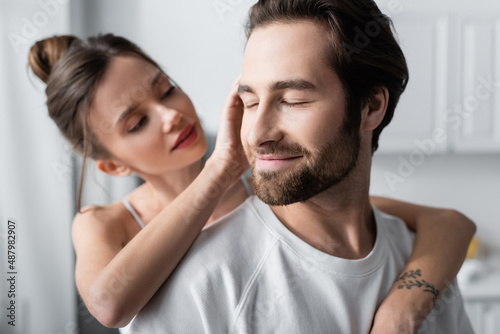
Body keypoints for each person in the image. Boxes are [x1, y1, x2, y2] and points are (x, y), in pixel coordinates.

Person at [27, 25, 474, 334]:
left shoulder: (271, 191)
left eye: (166, 89)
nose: (170, 115)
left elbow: (447, 223)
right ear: (113, 166)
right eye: (137, 122)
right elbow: (108, 303)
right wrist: (221, 169)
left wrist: (403, 307)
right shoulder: (105, 223)